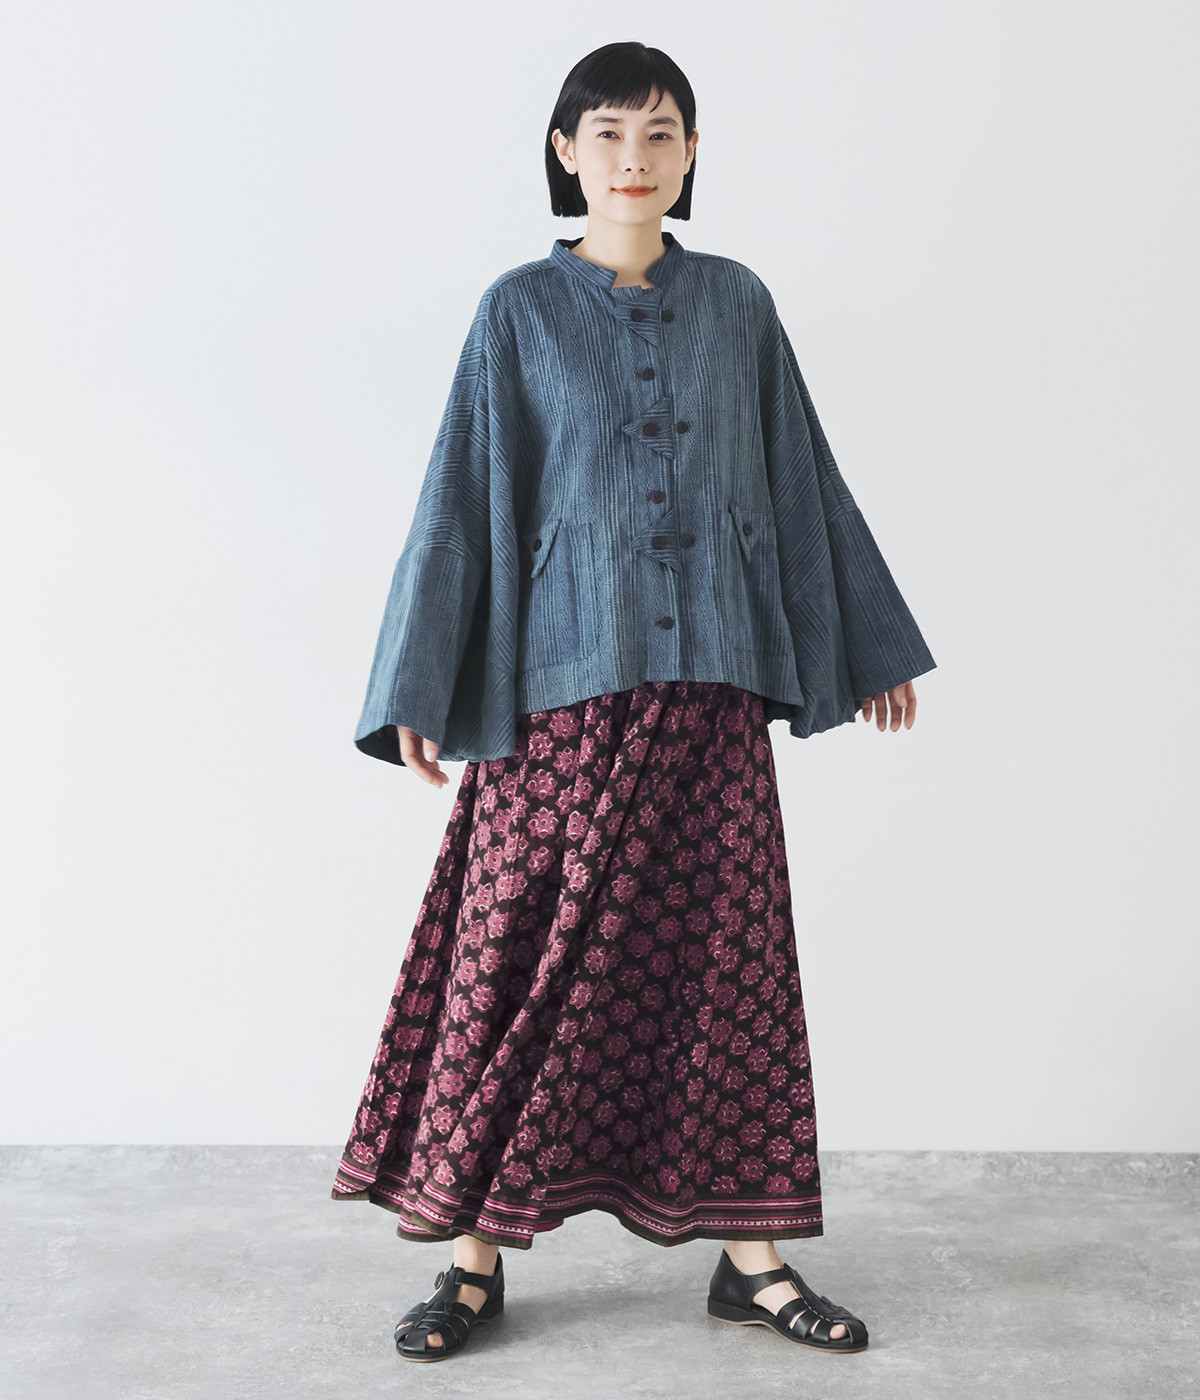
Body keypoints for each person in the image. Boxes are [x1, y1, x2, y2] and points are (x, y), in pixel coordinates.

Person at [331, 41, 936, 1363]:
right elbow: (460, 499)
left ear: (692, 153)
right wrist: (420, 681)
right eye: (607, 133)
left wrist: (868, 643)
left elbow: (800, 478)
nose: (633, 157)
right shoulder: (517, 312)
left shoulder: (739, 304)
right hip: (560, 701)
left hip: (710, 696)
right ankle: (472, 1261)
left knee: (727, 975)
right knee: (513, 966)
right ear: (566, 152)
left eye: (661, 133)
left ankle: (753, 1262)